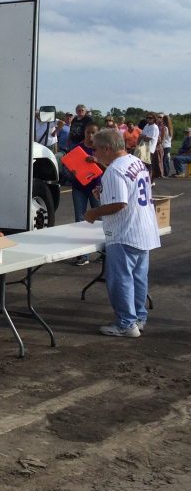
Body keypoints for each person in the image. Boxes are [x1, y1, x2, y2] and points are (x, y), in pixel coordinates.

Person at [83, 129, 160, 337]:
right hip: (143, 230)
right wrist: (103, 193)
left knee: (121, 280)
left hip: (125, 232)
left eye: (96, 148)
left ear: (107, 148)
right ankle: (138, 317)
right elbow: (129, 193)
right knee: (138, 278)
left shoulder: (115, 169)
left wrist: (93, 212)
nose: (94, 153)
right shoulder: (136, 163)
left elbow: (119, 204)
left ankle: (126, 323)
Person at [65, 123, 102, 266]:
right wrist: (72, 172)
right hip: (79, 187)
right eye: (88, 133)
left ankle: (103, 252)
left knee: (99, 219)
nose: (90, 136)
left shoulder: (100, 148)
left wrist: (97, 161)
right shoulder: (78, 148)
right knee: (80, 219)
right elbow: (68, 164)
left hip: (96, 187)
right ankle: (83, 254)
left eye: (93, 133)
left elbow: (109, 165)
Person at [140, 112, 160, 180]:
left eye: (150, 118)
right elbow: (142, 136)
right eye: (147, 118)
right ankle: (146, 179)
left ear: (154, 119)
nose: (148, 119)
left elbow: (147, 139)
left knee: (148, 166)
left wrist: (143, 136)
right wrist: (143, 136)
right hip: (144, 148)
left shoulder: (154, 127)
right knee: (144, 165)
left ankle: (150, 181)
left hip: (150, 149)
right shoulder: (146, 126)